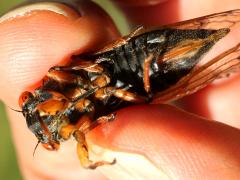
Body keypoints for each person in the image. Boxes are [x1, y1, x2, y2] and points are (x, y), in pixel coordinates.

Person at [0, 0, 240, 179]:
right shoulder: (79, 127)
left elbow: (57, 70)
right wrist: (91, 162)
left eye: (29, 103)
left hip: (128, 54)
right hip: (149, 82)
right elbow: (86, 134)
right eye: (48, 139)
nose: (45, 117)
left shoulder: (56, 80)